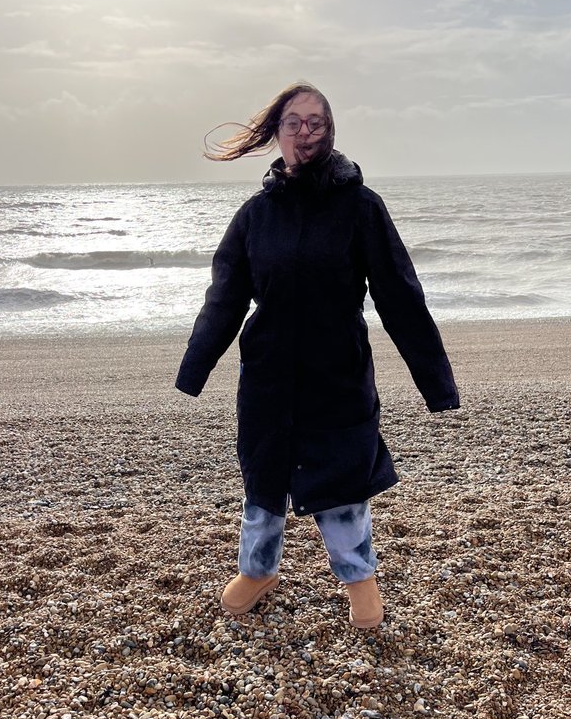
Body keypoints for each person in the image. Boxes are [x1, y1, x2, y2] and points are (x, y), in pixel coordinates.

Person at [175, 82, 459, 629]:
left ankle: (361, 586)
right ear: (276, 134)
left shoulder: (360, 207)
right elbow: (226, 295)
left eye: (316, 122)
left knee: (342, 483)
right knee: (263, 478)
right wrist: (195, 368)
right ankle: (258, 571)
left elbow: (400, 294)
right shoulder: (256, 215)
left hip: (337, 369)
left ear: (330, 131)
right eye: (294, 122)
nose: (305, 131)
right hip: (268, 371)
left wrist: (436, 383)